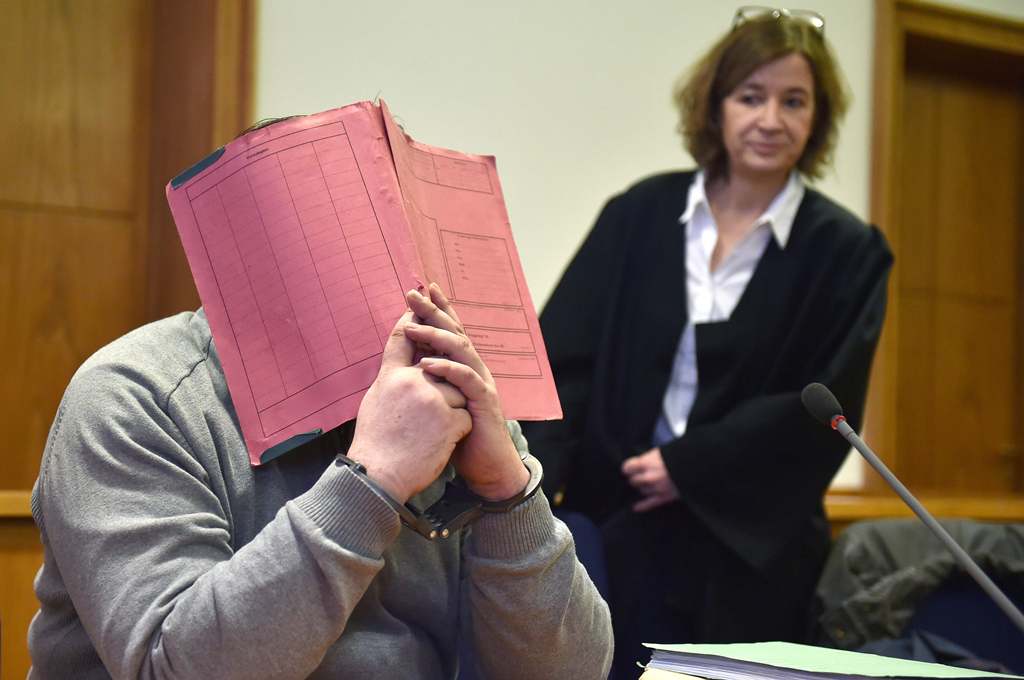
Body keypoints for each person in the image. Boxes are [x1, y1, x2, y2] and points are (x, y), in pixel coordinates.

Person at [521, 7, 893, 678]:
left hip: (751, 557)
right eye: (751, 96)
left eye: (794, 101)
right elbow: (561, 362)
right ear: (716, 105)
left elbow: (824, 405)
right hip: (619, 531)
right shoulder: (639, 213)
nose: (770, 119)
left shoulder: (848, 251)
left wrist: (690, 467)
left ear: (818, 117)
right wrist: (529, 494)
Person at [27, 282, 613, 679]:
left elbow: (573, 672)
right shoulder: (135, 395)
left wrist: (507, 491)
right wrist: (373, 481)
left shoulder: (444, 390)